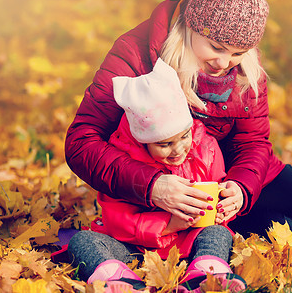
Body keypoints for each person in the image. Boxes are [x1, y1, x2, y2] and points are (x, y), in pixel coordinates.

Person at [66, 0, 292, 278]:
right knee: (287, 231)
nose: (224, 63)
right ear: (191, 24)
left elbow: (253, 143)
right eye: (216, 48)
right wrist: (153, 185)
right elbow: (82, 141)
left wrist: (242, 187)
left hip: (230, 184)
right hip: (164, 185)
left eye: (238, 52)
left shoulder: (244, 66)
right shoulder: (135, 51)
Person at [67, 58, 246, 292]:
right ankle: (119, 280)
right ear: (143, 141)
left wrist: (225, 206)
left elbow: (217, 193)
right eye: (164, 144)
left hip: (189, 247)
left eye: (184, 136)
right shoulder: (125, 161)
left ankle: (206, 275)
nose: (179, 149)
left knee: (218, 233)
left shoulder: (206, 149)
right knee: (83, 242)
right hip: (135, 249)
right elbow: (117, 220)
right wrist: (168, 225)